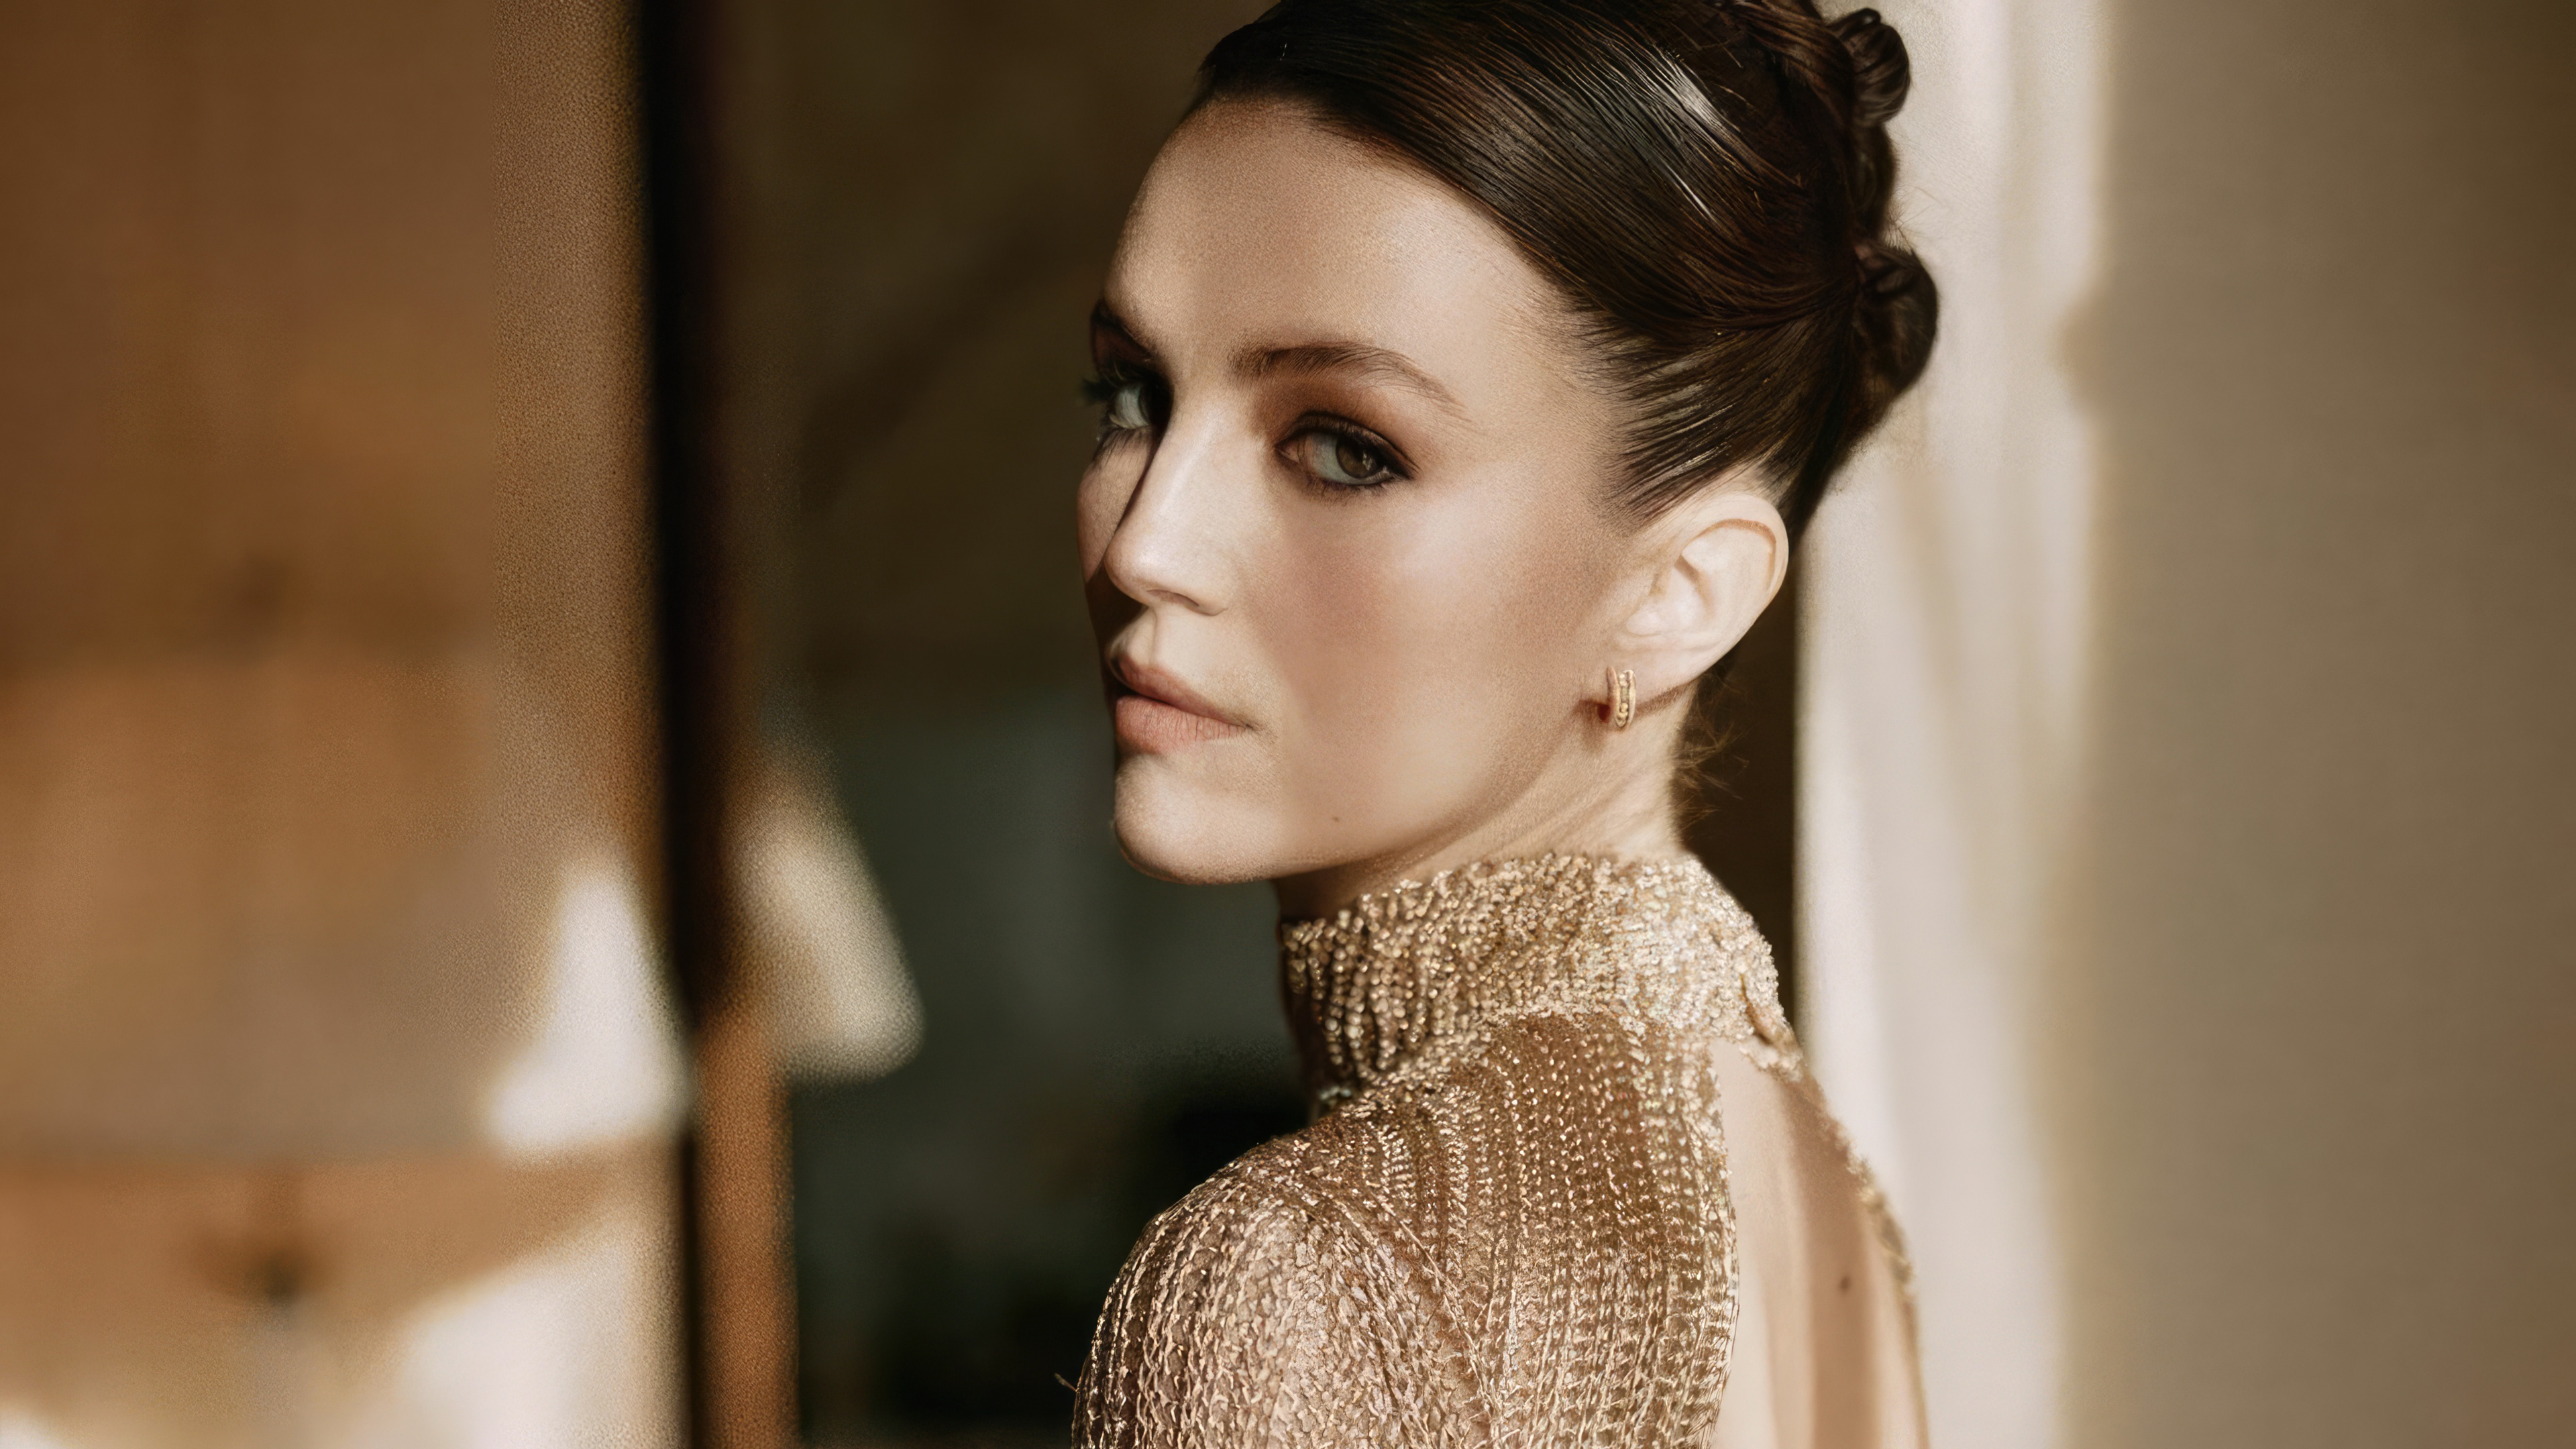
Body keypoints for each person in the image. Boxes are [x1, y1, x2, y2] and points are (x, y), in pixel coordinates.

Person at [1069, 1, 1937, 1442]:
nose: (1148, 542)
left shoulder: (1311, 1277)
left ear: (1675, 595)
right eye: (1132, 394)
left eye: (1344, 448)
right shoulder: (1816, 1201)